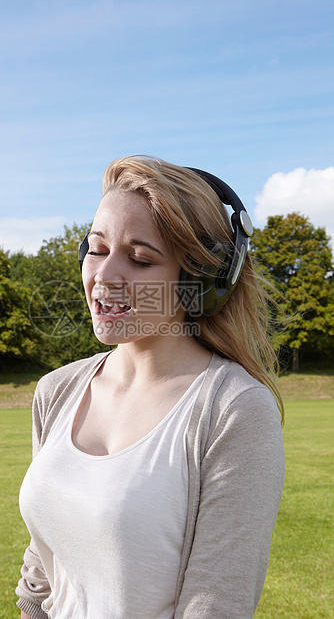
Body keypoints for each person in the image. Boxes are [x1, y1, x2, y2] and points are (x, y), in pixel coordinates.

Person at [15, 156, 285, 619]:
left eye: (139, 258)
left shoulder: (234, 410)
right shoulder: (56, 391)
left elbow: (215, 605)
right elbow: (43, 562)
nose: (104, 275)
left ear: (201, 281)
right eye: (97, 249)